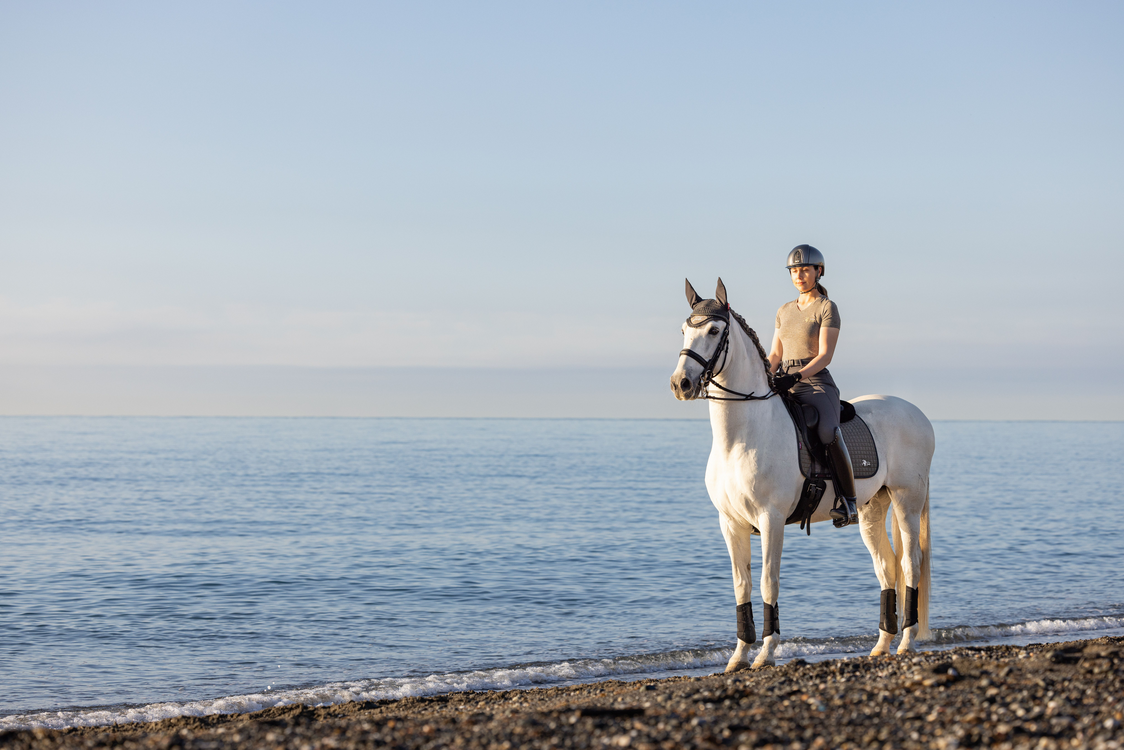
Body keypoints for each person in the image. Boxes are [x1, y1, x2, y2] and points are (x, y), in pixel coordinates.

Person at [767, 244, 857, 527]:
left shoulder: (827, 307)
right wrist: (767, 376)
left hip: (815, 382)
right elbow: (775, 355)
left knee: (828, 432)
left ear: (818, 272)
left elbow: (825, 355)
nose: (799, 275)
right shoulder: (783, 310)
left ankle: (848, 501)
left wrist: (797, 376)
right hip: (784, 381)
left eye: (805, 270)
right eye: (794, 271)